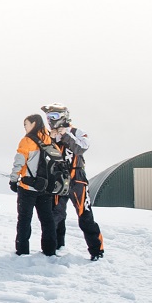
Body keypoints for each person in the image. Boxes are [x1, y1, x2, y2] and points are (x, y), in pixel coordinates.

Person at [43, 104, 105, 260]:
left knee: (85, 216)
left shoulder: (77, 132)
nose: (50, 121)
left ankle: (97, 251)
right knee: (55, 216)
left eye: (54, 117)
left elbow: (82, 148)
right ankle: (53, 248)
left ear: (63, 116)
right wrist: (50, 138)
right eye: (49, 117)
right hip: (58, 179)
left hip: (77, 179)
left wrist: (65, 135)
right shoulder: (50, 134)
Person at [9, 113, 59, 256]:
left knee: (24, 220)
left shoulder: (27, 141)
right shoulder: (48, 139)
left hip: (28, 187)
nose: (25, 127)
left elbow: (19, 162)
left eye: (26, 124)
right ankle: (50, 250)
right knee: (47, 220)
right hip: (45, 187)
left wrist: (13, 179)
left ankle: (22, 251)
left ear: (34, 123)